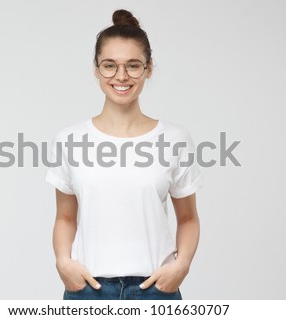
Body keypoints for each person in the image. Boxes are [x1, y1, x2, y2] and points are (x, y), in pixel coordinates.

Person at [45, 9, 205, 300]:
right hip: (88, 291)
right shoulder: (69, 139)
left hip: (155, 290)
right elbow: (66, 218)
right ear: (96, 69)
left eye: (133, 65)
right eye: (109, 65)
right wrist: (63, 263)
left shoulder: (174, 139)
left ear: (149, 68)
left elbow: (189, 219)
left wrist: (181, 266)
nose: (121, 76)